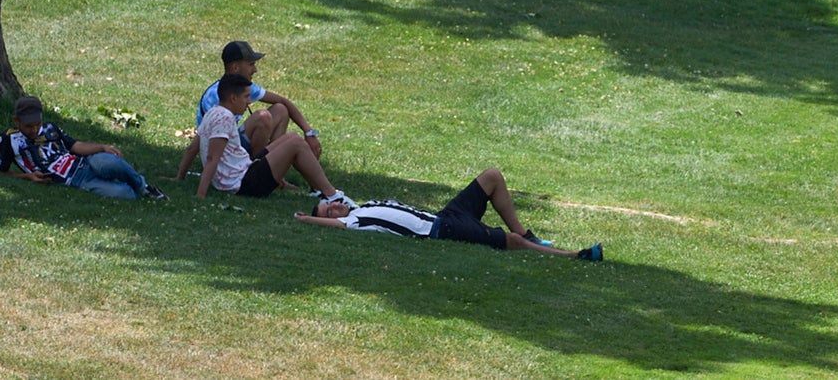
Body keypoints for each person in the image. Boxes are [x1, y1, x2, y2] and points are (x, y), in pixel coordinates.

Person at [294, 167, 603, 261]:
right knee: (506, 241)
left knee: (492, 176)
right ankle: (575, 255)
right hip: (443, 230)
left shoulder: (359, 206)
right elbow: (336, 224)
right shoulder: (354, 221)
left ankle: (527, 234)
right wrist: (308, 219)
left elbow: (335, 196)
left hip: (444, 215)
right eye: (329, 211)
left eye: (331, 204)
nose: (334, 207)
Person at [195, 73, 355, 206]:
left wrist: (180, 176)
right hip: (243, 184)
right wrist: (200, 195)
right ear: (233, 98)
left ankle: (318, 190)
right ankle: (332, 195)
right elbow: (212, 158)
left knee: (292, 137)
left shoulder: (213, 112)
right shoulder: (225, 118)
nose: (249, 102)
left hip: (245, 171)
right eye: (246, 97)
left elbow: (194, 146)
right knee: (296, 143)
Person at [176, 40, 322, 182]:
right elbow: (200, 141)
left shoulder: (243, 88)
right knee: (263, 117)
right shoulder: (216, 96)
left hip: (232, 147)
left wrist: (309, 132)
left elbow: (283, 101)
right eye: (251, 64)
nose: (255, 70)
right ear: (235, 68)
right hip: (221, 153)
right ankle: (261, 172)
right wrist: (188, 181)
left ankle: (275, 171)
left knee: (280, 110)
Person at [0, 96, 167, 201]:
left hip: (85, 162)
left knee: (109, 162)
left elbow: (75, 145)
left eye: (37, 124)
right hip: (77, 180)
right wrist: (28, 176)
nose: (34, 130)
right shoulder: (8, 139)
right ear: (16, 121)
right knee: (125, 194)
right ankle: (132, 187)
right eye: (28, 126)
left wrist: (102, 147)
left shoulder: (50, 128)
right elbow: (1, 172)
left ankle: (143, 187)